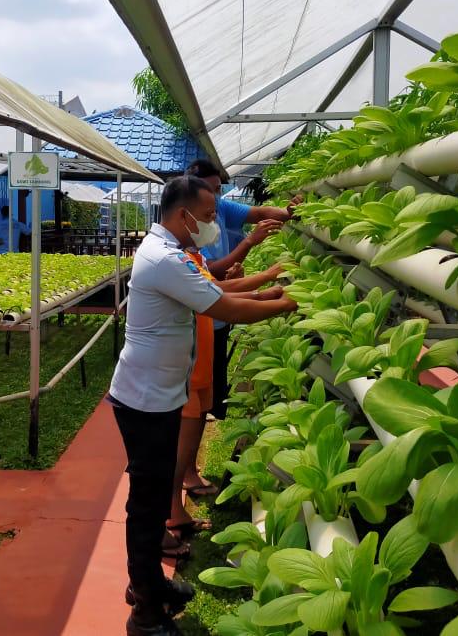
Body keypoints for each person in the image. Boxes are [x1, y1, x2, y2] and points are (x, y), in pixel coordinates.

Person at [109, 175, 296, 636]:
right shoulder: (165, 258)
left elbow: (215, 294)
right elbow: (222, 309)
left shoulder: (172, 253)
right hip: (146, 399)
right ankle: (146, 613)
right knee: (148, 503)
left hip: (157, 393)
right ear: (182, 216)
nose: (213, 225)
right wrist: (287, 304)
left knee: (151, 499)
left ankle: (148, 584)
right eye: (209, 217)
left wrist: (267, 294)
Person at [168, 251, 283, 540]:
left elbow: (215, 288)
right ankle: (172, 511)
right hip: (185, 366)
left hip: (199, 361)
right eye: (207, 215)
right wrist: (269, 289)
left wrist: (260, 290)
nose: (212, 223)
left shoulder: (195, 257)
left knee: (194, 426)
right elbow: (221, 301)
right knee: (179, 442)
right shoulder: (174, 260)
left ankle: (185, 483)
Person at [184, 158, 301, 424]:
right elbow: (213, 283)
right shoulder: (176, 254)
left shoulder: (220, 207)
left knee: (208, 388)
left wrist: (286, 212)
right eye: (209, 190)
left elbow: (259, 213)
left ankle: (198, 440)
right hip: (201, 323)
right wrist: (272, 291)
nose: (215, 197)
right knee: (194, 397)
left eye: (217, 189)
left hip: (214, 319)